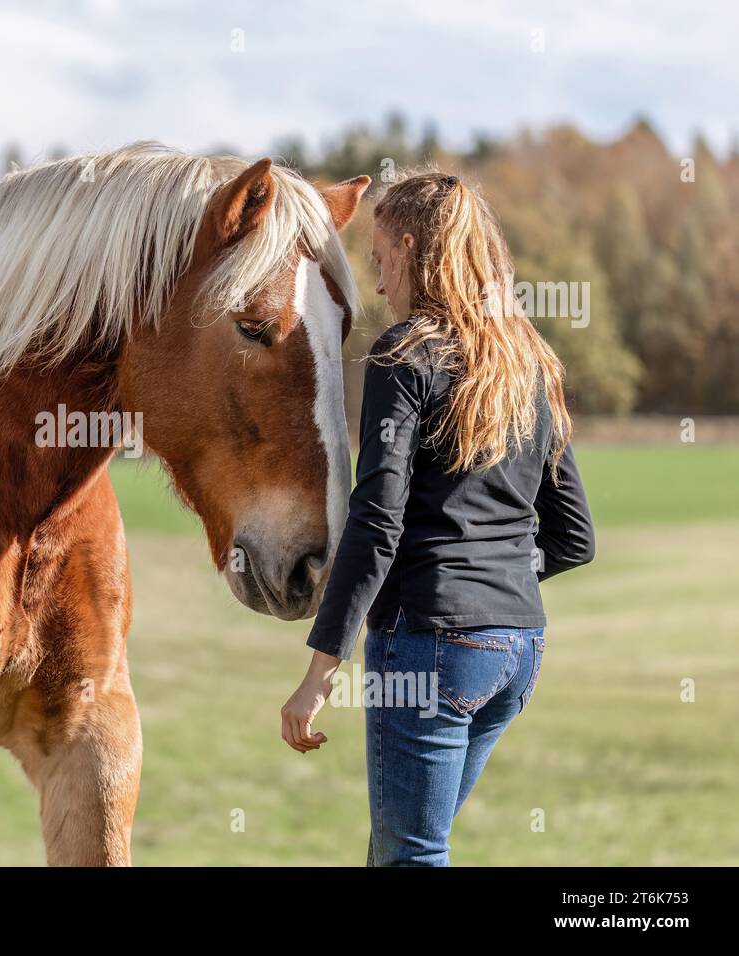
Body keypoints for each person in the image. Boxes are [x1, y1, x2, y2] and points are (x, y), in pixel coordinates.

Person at [280, 171, 595, 866]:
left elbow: (378, 521)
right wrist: (500, 570)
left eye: (380, 254)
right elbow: (574, 536)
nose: (378, 278)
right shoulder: (529, 362)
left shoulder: (403, 355)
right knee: (400, 849)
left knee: (409, 856)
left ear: (410, 246)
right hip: (517, 650)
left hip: (431, 650)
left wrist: (319, 673)